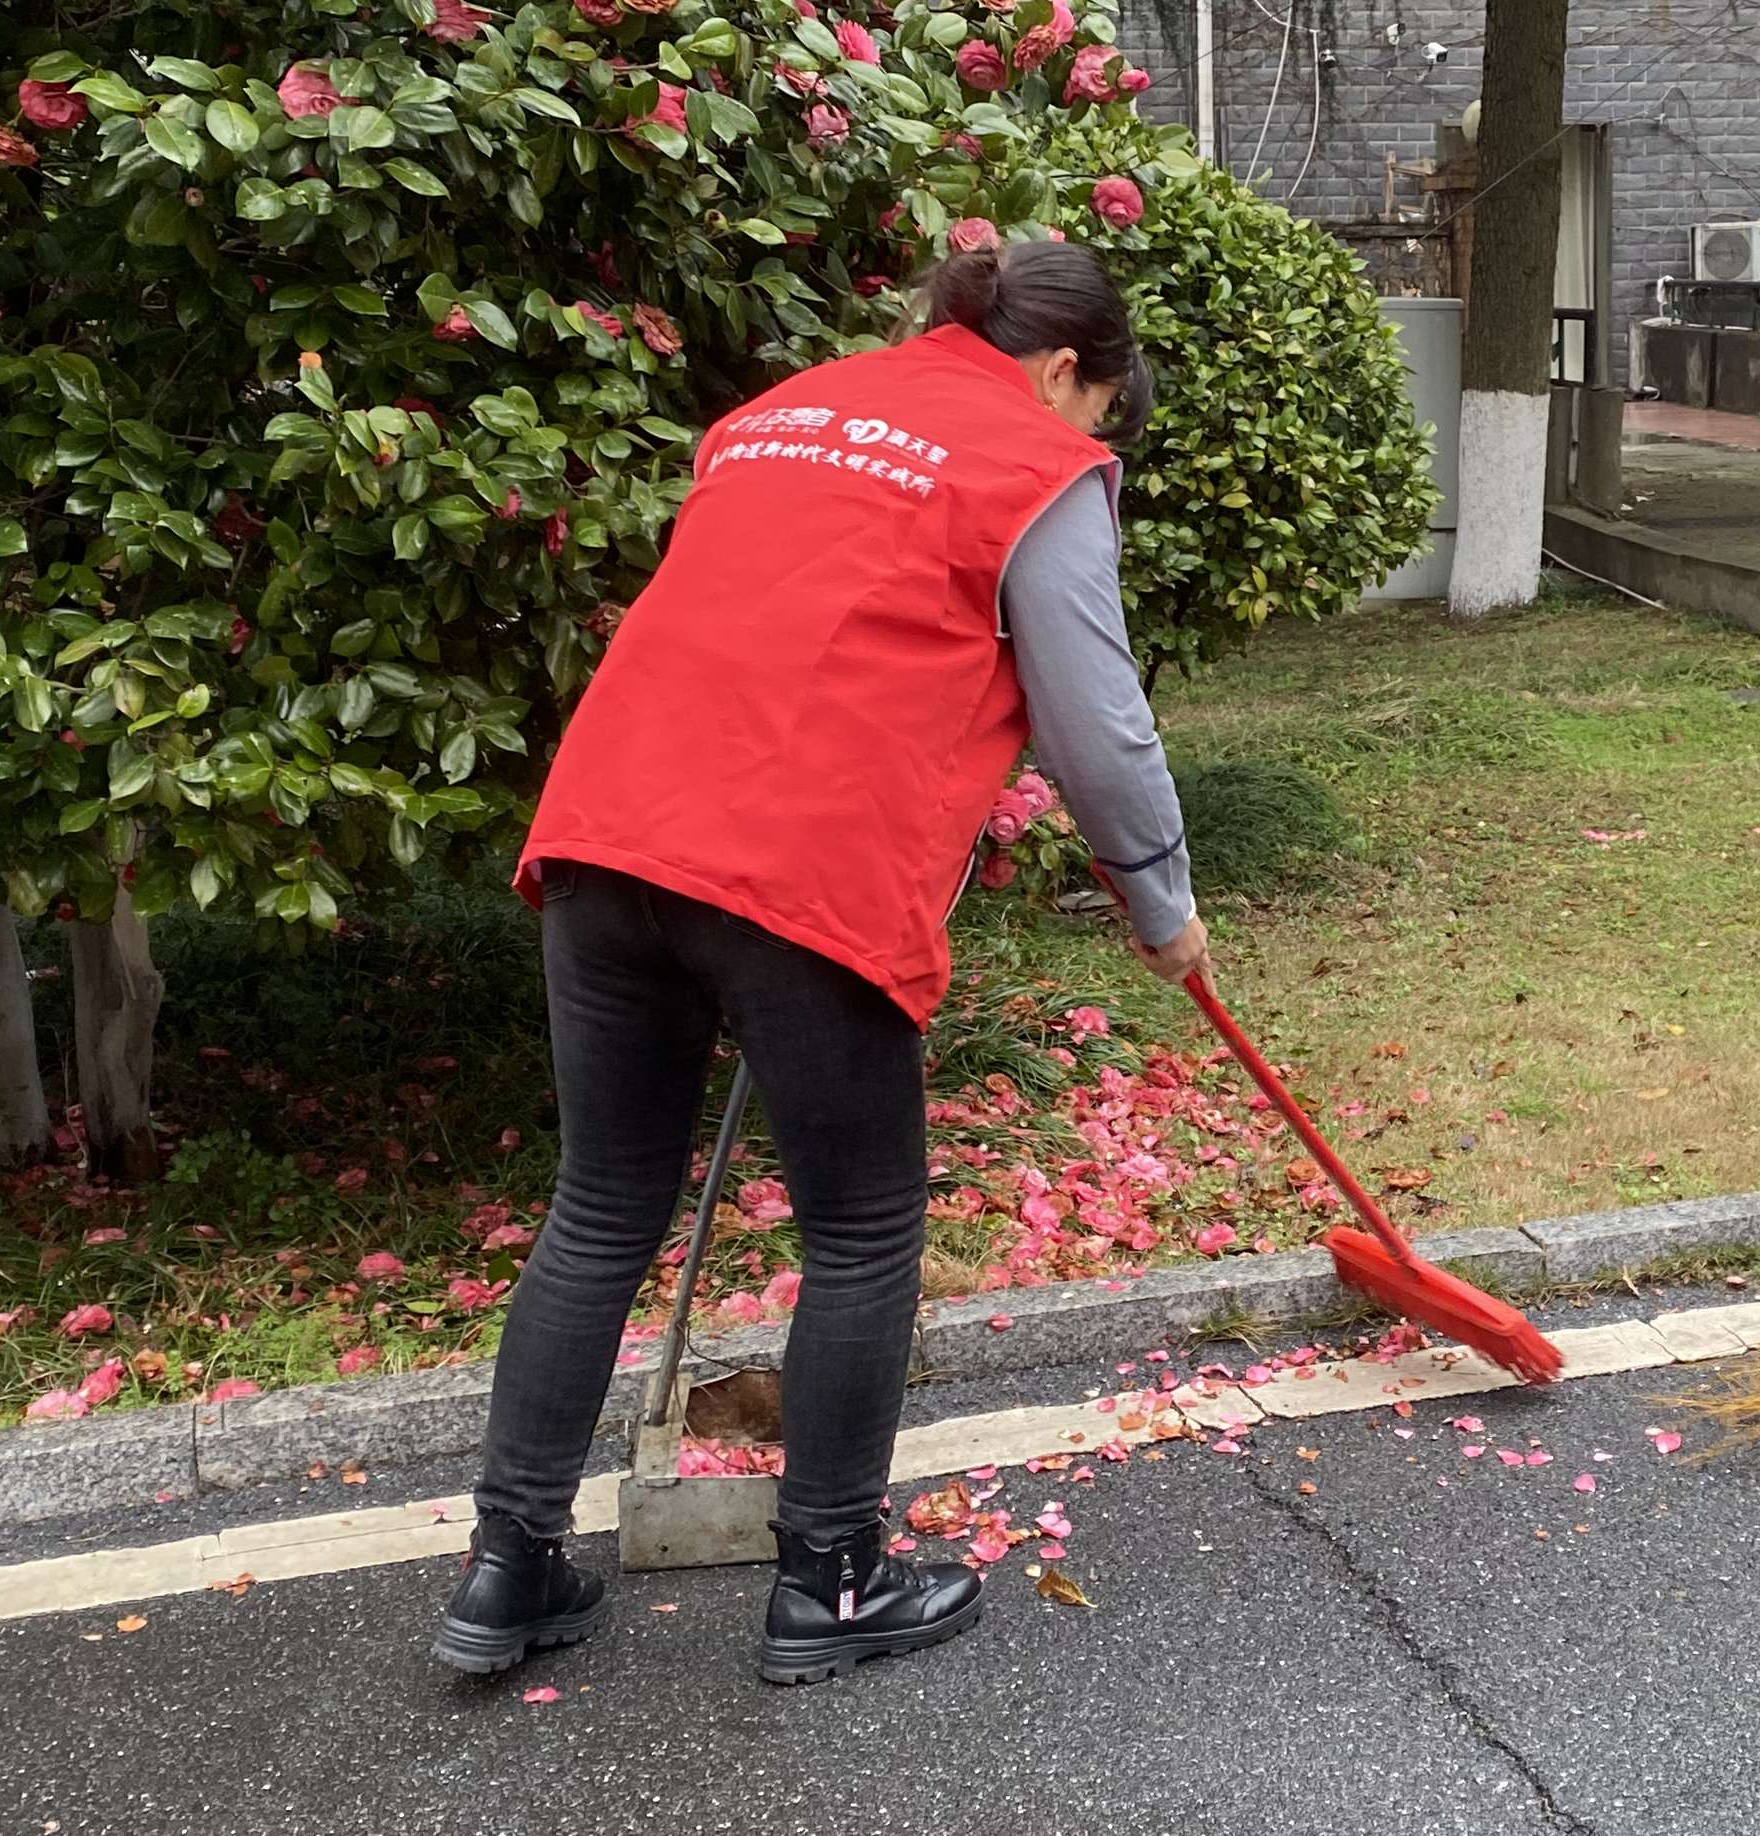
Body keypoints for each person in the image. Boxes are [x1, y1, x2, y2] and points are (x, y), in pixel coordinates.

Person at [434, 242, 1208, 1689]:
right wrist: (1161, 904)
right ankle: (834, 1580)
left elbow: (765, 628)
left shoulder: (779, 413)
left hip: (610, 835)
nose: (1092, 440)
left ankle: (509, 1568)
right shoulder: (1034, 463)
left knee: (602, 1202)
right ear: (1064, 374)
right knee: (861, 1227)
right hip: (802, 867)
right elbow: (1098, 726)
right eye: (1100, 409)